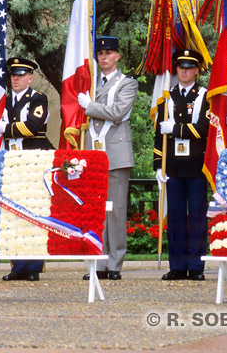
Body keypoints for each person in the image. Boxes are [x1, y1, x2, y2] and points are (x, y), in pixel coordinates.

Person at [78, 35, 138, 280]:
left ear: (117, 56)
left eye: (108, 53)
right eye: (100, 54)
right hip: (91, 153)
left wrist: (89, 105)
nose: (104, 57)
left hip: (115, 153)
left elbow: (118, 112)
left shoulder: (127, 83)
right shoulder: (90, 83)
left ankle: (114, 263)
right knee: (94, 209)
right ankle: (97, 262)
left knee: (114, 210)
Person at [0, 55, 52, 282]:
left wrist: (6, 128)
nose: (15, 79)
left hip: (34, 159)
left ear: (30, 78)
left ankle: (34, 267)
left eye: (20, 75)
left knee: (35, 211)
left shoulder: (39, 98)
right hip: (12, 161)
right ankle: (17, 265)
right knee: (14, 213)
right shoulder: (3, 100)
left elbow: (32, 127)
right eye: (13, 75)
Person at [154, 48, 210, 281]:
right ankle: (177, 265)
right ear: (176, 70)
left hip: (197, 165)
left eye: (189, 68)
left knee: (197, 216)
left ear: (196, 71)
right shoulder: (166, 98)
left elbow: (203, 129)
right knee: (176, 216)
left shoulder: (205, 95)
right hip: (173, 166)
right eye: (180, 68)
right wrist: (158, 165)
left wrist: (175, 129)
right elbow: (158, 135)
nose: (184, 71)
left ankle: (196, 266)